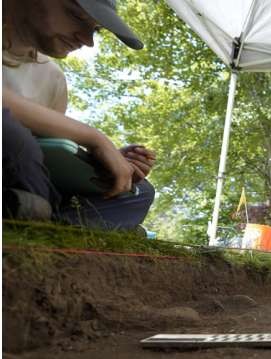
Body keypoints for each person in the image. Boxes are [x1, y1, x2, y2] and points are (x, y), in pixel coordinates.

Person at [2, 0, 156, 230]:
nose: (87, 40)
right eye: (77, 17)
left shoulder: (52, 78)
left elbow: (47, 151)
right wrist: (95, 138)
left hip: (21, 177)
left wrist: (95, 162)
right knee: (12, 133)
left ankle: (45, 218)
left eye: (95, 30)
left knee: (139, 192)